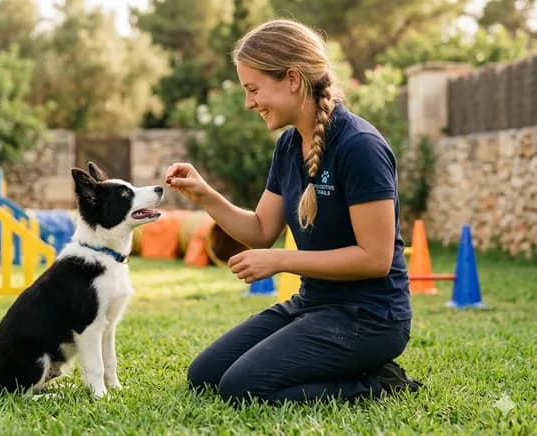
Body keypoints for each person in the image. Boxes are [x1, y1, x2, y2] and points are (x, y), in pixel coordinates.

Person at [164, 19, 422, 405]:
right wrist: (205, 196)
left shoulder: (360, 147)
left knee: (242, 388)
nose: (249, 103)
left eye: (253, 89)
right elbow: (260, 229)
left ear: (293, 79)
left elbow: (376, 258)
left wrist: (283, 260)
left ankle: (380, 382)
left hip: (369, 318)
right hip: (313, 305)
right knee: (204, 376)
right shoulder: (288, 145)